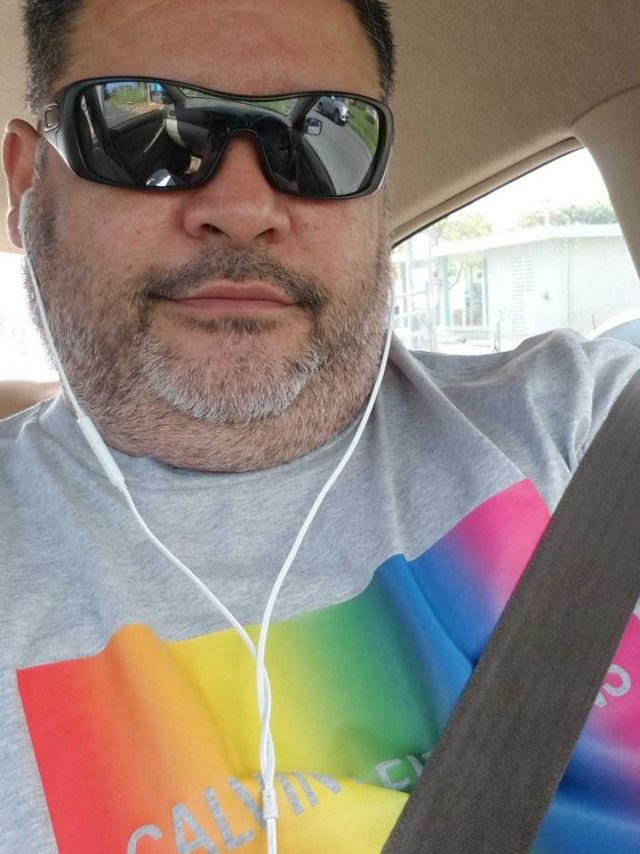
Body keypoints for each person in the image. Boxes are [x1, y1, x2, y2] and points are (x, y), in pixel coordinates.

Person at [2, 1, 640, 852]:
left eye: (321, 132)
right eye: (145, 127)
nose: (243, 206)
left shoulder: (591, 427)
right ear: (26, 183)